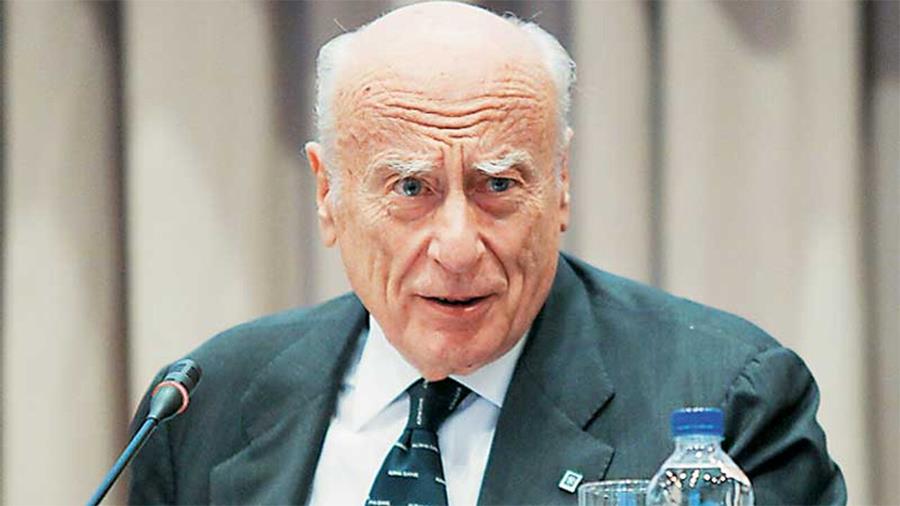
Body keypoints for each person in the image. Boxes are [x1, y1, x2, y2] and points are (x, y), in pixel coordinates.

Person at [128, 2, 846, 505]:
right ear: (328, 194)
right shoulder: (199, 407)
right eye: (411, 187)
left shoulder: (727, 400)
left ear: (559, 186)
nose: (458, 246)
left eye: (498, 185)